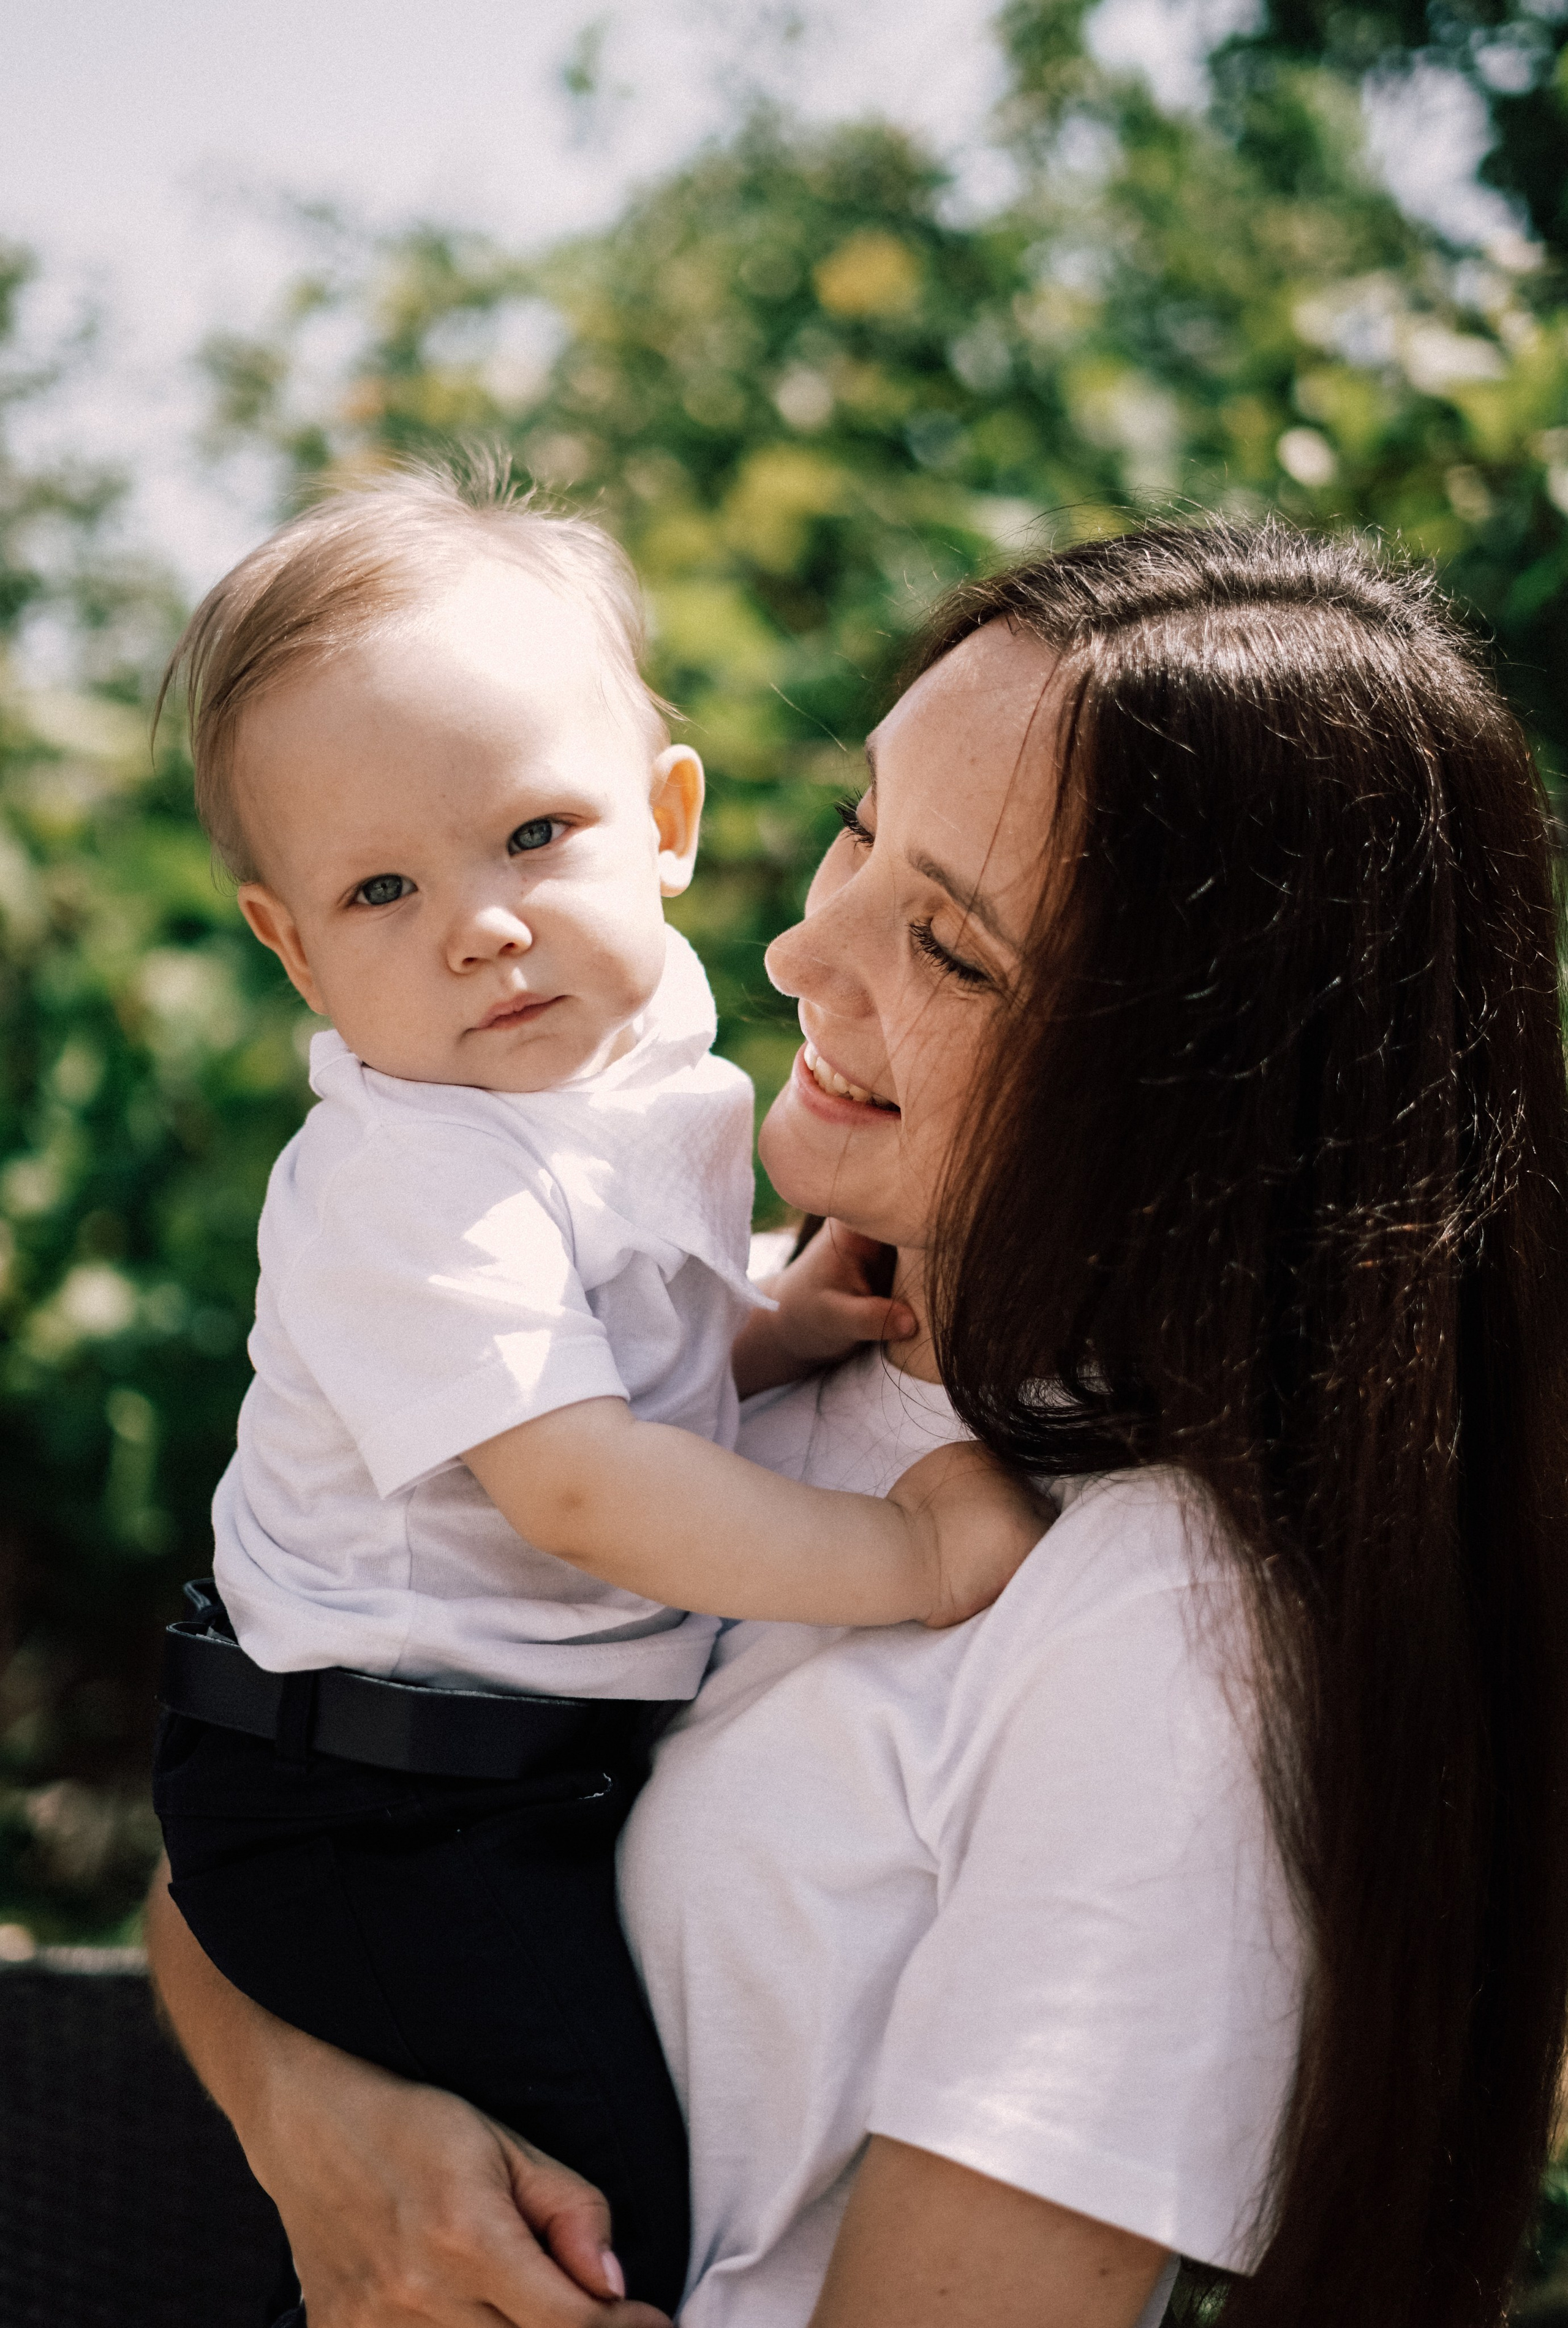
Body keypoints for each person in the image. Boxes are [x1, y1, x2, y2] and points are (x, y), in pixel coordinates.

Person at [148, 519, 1568, 2328]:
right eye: (858, 825)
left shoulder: (1150, 1626)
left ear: (1199, 1081)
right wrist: (324, 2128)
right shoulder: (720, 1338)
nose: (801, 951)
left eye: (950, 949)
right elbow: (218, 1876)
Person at [148, 462, 1042, 2314]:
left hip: (488, 1770)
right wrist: (907, 1558)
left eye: (534, 833)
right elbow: (573, 1482)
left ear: (667, 820)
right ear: (291, 945)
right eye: (381, 888)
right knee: (582, 2206)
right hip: (370, 1805)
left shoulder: (638, 1057)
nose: (479, 924)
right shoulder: (414, 1177)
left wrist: (772, 1323)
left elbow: (623, 1350)